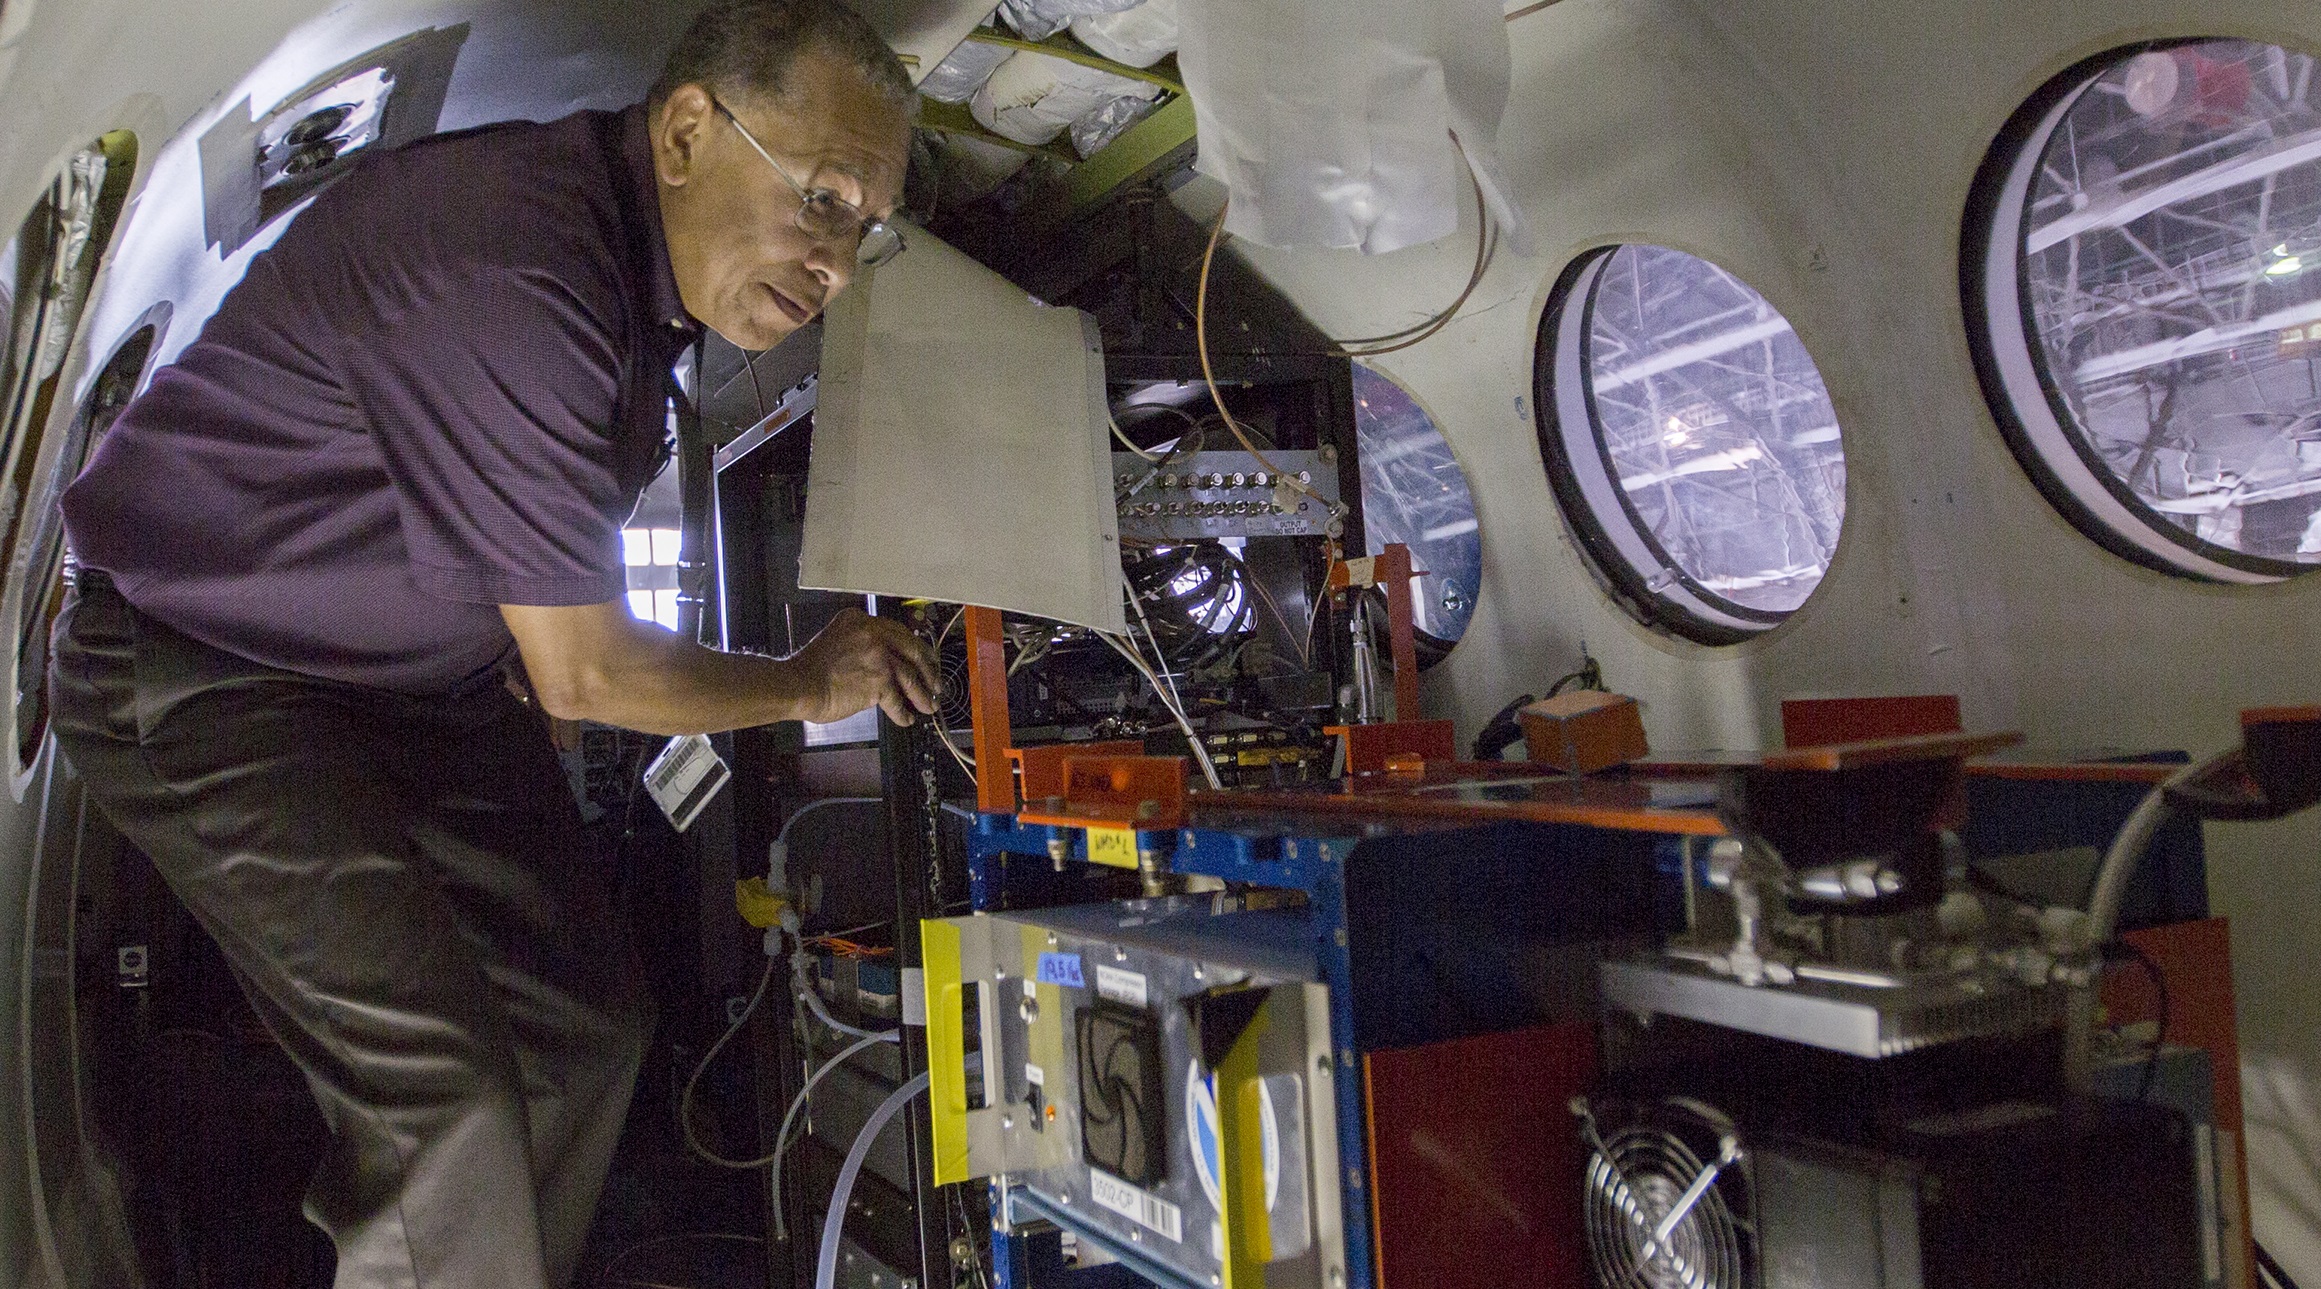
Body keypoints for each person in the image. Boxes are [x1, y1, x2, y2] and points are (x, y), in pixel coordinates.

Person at [46, 2, 938, 1285]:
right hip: (209, 671)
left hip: (413, 692)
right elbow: (587, 670)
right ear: (687, 130)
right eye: (823, 200)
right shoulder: (519, 270)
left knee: (582, 1033)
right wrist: (807, 681)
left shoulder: (639, 282)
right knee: (444, 1099)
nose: (839, 261)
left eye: (866, 228)